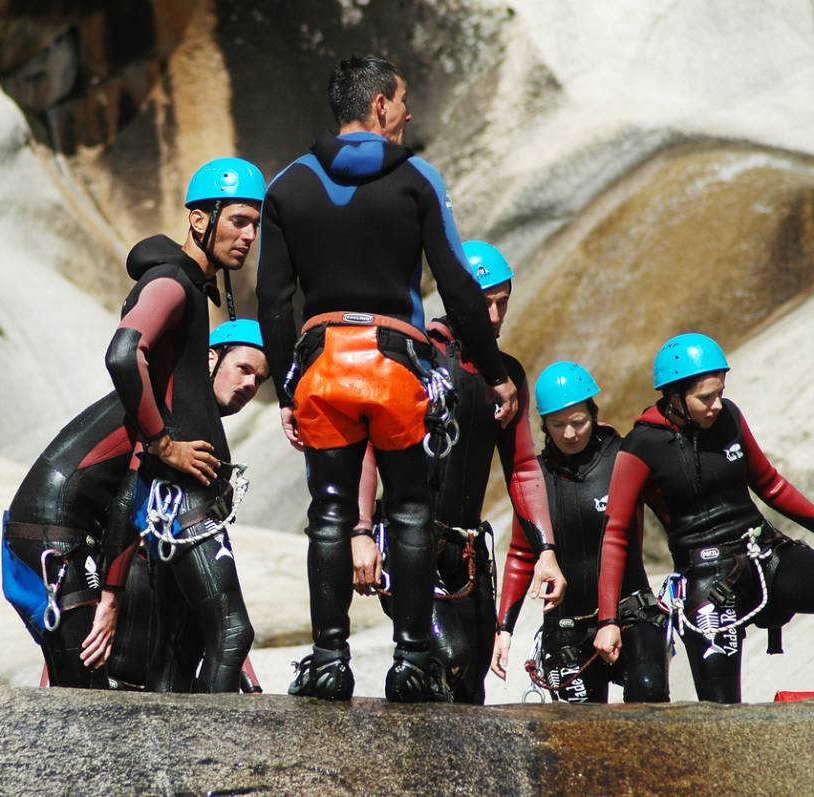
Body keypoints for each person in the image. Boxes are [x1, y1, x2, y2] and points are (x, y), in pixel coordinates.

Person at [257, 55, 562, 702]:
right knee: (412, 509)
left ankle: (330, 657)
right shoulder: (417, 177)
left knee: (332, 513)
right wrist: (497, 375)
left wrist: (286, 390)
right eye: (402, 101)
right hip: (395, 362)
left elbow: (272, 300)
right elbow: (455, 280)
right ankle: (412, 658)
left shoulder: (286, 185)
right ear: (378, 108)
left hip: (322, 360)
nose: (408, 112)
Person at [2, 320, 269, 690]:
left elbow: (200, 567)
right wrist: (109, 603)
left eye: (259, 379)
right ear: (210, 359)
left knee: (95, 678)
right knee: (83, 688)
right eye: (243, 369)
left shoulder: (190, 410)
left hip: (74, 535)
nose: (250, 385)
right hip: (53, 532)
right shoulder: (172, 405)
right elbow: (129, 500)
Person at [355, 240, 562, 704]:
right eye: (482, 302)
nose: (493, 316)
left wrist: (545, 549)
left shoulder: (507, 376)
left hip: (467, 548)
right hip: (409, 539)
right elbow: (366, 447)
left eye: (502, 301)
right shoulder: (415, 355)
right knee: (449, 655)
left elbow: (524, 467)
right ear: (453, 298)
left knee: (470, 686)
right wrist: (361, 531)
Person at [102, 157, 265, 693]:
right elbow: (125, 354)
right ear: (200, 219)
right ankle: (210, 765)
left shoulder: (194, 286)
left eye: (255, 225)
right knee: (231, 632)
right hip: (182, 497)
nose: (248, 235)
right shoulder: (174, 281)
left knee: (175, 652)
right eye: (238, 220)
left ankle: (171, 772)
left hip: (180, 499)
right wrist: (164, 444)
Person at [594, 333, 814, 703]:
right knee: (721, 709)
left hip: (763, 554)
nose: (716, 405)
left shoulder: (730, 417)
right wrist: (607, 621)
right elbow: (615, 534)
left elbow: (771, 485)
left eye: (720, 393)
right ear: (674, 397)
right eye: (704, 398)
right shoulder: (640, 446)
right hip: (706, 579)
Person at [492, 361, 669, 703]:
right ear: (543, 424)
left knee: (648, 689)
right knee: (579, 733)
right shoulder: (535, 479)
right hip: (567, 626)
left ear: (594, 413)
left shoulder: (623, 458)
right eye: (558, 425)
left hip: (631, 612)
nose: (570, 434)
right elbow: (519, 553)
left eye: (578, 422)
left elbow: (672, 514)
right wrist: (503, 630)